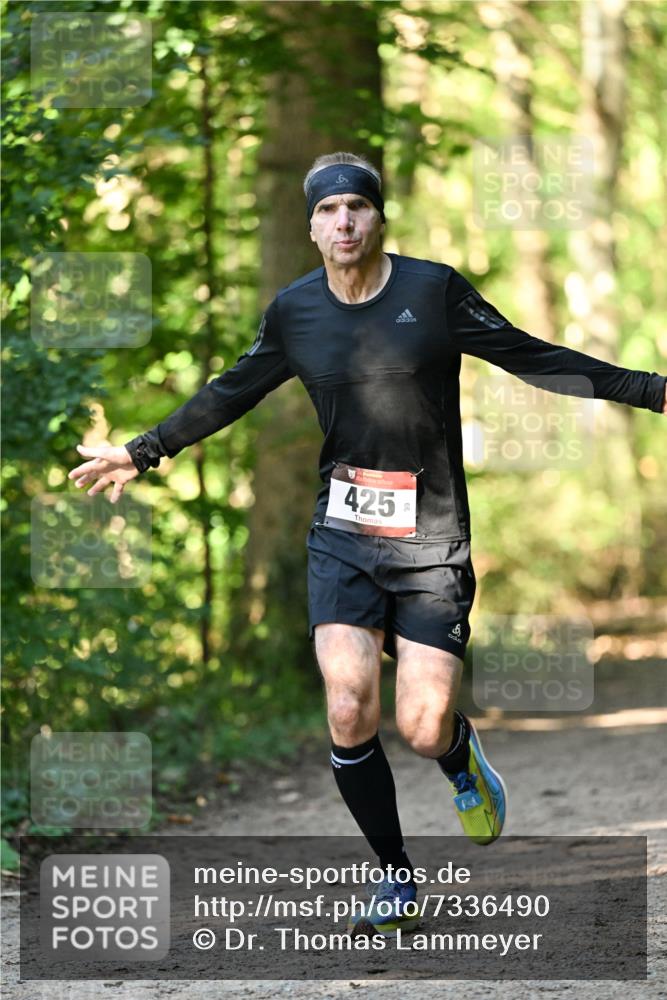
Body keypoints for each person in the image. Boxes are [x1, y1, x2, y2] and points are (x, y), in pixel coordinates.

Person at [68, 151, 667, 939]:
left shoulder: (432, 291)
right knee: (348, 704)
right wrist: (141, 450)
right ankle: (394, 879)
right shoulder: (296, 313)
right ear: (310, 225)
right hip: (343, 536)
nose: (343, 222)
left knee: (421, 725)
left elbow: (534, 358)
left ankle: (458, 759)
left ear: (379, 216)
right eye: (327, 211)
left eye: (356, 207)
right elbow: (229, 390)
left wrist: (650, 390)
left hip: (431, 541)